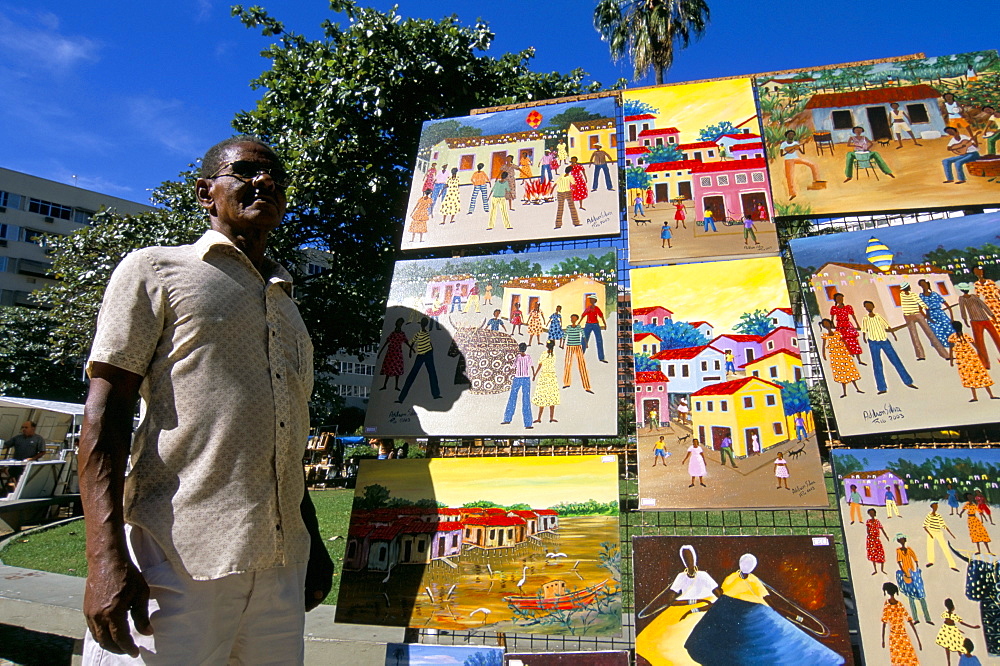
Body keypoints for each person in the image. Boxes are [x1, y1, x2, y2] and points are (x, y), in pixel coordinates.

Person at [78, 136, 333, 663]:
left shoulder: (289, 307)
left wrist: (313, 541)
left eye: (275, 179)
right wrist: (104, 558)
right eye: (243, 172)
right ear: (205, 193)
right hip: (176, 561)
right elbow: (105, 417)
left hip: (281, 569)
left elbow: (284, 435)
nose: (263, 183)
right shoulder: (154, 270)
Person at [859, 300, 918, 395]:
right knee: (877, 364)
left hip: (884, 340)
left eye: (869, 305)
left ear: (873, 306)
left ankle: (908, 382)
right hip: (873, 342)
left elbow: (887, 326)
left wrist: (893, 335)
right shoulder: (865, 318)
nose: (868, 307)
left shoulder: (878, 317)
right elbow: (864, 330)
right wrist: (864, 338)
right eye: (866, 306)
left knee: (896, 361)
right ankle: (882, 387)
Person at [948, 320, 998, 402]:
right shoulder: (964, 336)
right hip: (970, 356)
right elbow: (976, 347)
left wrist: (951, 360)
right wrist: (982, 355)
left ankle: (976, 396)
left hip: (964, 358)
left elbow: (951, 349)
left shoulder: (953, 337)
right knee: (980, 374)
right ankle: (990, 395)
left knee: (970, 376)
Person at [396, 316, 442, 403]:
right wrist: (410, 351)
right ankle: (401, 398)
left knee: (432, 373)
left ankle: (436, 394)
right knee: (413, 374)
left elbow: (428, 342)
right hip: (421, 354)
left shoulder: (427, 333)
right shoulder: (419, 333)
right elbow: (413, 341)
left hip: (428, 353)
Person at [899, 281, 949, 360]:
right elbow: (920, 302)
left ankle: (944, 354)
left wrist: (925, 307)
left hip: (914, 314)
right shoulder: (907, 295)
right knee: (916, 335)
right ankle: (921, 355)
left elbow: (920, 302)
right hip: (909, 315)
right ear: (907, 288)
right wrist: (926, 308)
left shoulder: (906, 294)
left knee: (928, 333)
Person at [958, 284, 1000, 369]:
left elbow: (983, 305)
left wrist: (991, 315)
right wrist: (965, 319)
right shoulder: (962, 299)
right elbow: (962, 309)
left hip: (985, 319)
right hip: (975, 322)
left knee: (997, 338)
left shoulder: (974, 296)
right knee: (980, 343)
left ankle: (985, 363)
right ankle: (985, 363)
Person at [819, 318, 863, 397]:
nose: (827, 326)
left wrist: (850, 351)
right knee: (841, 373)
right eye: (825, 325)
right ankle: (844, 392)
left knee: (850, 371)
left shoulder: (837, 333)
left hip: (843, 353)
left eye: (827, 324)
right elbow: (823, 346)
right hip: (835, 356)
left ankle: (857, 388)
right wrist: (823, 354)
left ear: (830, 324)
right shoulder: (825, 335)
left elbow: (845, 342)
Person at [895, 534, 932, 625]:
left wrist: (916, 570)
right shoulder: (899, 551)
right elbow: (899, 562)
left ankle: (927, 618)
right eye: (900, 540)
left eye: (903, 539)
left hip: (913, 573)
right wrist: (904, 572)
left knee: (921, 597)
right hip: (906, 574)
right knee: (911, 598)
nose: (902, 541)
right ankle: (916, 618)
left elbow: (915, 559)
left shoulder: (909, 549)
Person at [882, 582, 922, 665]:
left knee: (905, 659)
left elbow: (884, 623)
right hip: (897, 637)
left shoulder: (894, 605)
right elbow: (884, 622)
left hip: (899, 636)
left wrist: (918, 639)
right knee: (904, 659)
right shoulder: (892, 605)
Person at [2, 421, 46, 492]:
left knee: (25, 484)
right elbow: (5, 445)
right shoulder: (17, 438)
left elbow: (42, 452)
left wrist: (32, 458)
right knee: (11, 480)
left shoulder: (38, 439)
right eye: (23, 427)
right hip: (15, 465)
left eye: (26, 427)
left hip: (28, 466)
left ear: (33, 428)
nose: (24, 429)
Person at [779, 129, 821, 200]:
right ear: (786, 136)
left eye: (792, 134)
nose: (791, 136)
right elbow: (782, 154)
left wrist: (802, 147)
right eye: (789, 134)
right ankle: (792, 193)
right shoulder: (783, 144)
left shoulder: (796, 142)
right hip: (788, 160)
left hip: (796, 158)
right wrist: (792, 148)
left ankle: (817, 181)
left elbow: (802, 152)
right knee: (790, 176)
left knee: (813, 164)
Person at [936, 598, 980, 666]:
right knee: (957, 644)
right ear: (953, 606)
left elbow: (948, 623)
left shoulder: (945, 614)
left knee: (947, 646)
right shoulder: (953, 616)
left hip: (946, 630)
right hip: (951, 630)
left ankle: (949, 662)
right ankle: (951, 661)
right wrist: (973, 627)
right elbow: (962, 623)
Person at [502, 343, 533, 429]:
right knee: (520, 398)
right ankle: (526, 423)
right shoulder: (520, 357)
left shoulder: (523, 357)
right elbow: (514, 366)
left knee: (517, 398)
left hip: (522, 378)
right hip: (522, 378)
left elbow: (513, 367)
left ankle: (509, 419)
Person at [918, 278, 955, 349]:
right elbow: (920, 309)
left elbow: (946, 304)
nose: (924, 286)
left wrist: (952, 316)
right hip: (931, 315)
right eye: (922, 285)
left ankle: (952, 344)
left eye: (924, 284)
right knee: (937, 332)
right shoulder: (921, 296)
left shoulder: (934, 294)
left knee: (948, 329)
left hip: (941, 314)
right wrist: (927, 317)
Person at [829, 292, 865, 366]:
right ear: (835, 300)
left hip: (847, 325)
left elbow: (853, 316)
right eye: (838, 298)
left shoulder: (848, 307)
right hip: (840, 326)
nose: (840, 299)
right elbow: (832, 318)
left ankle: (859, 360)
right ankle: (846, 360)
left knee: (853, 341)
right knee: (842, 342)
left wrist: (857, 325)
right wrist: (831, 325)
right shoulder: (834, 308)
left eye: (841, 298)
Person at [923, 502, 959, 571]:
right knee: (930, 546)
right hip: (931, 531)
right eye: (935, 506)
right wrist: (930, 534)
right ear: (932, 507)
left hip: (938, 532)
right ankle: (931, 561)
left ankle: (952, 565)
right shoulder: (929, 515)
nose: (936, 508)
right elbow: (924, 526)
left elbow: (943, 525)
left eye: (937, 506)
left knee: (944, 547)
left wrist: (951, 534)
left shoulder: (938, 516)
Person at [531, 340, 559, 424]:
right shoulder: (553, 354)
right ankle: (550, 417)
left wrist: (535, 374)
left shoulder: (545, 354)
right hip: (551, 377)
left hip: (544, 376)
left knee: (542, 397)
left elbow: (540, 365)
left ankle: (540, 418)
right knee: (551, 397)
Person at [561, 314, 592, 393]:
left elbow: (583, 336)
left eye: (574, 318)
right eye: (572, 318)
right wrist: (562, 344)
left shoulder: (579, 327)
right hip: (569, 346)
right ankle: (566, 382)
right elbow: (565, 336)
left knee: (582, 364)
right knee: (567, 363)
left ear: (576, 319)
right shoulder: (568, 327)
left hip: (578, 346)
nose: (572, 320)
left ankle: (587, 386)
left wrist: (586, 344)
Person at [376, 318, 408, 391]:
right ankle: (385, 385)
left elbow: (406, 342)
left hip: (397, 353)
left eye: (401, 323)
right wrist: (380, 352)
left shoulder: (402, 334)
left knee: (397, 369)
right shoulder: (393, 333)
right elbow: (386, 342)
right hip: (391, 353)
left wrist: (411, 349)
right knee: (388, 369)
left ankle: (396, 386)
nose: (400, 324)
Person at [580, 296, 608, 363]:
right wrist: (578, 323)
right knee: (584, 339)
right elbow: (583, 315)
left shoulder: (597, 308)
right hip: (588, 324)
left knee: (599, 340)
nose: (591, 301)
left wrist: (605, 324)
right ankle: (580, 355)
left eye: (593, 300)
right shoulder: (588, 308)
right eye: (590, 300)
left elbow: (601, 316)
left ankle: (601, 357)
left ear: (595, 301)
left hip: (596, 325)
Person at [867, 508, 890, 575]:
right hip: (871, 540)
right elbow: (868, 531)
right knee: (873, 554)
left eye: (872, 513)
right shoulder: (868, 521)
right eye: (870, 513)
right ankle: (875, 570)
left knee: (880, 554)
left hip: (877, 539)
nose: (871, 514)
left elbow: (882, 529)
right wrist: (871, 537)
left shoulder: (877, 521)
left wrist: (886, 536)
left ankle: (882, 569)